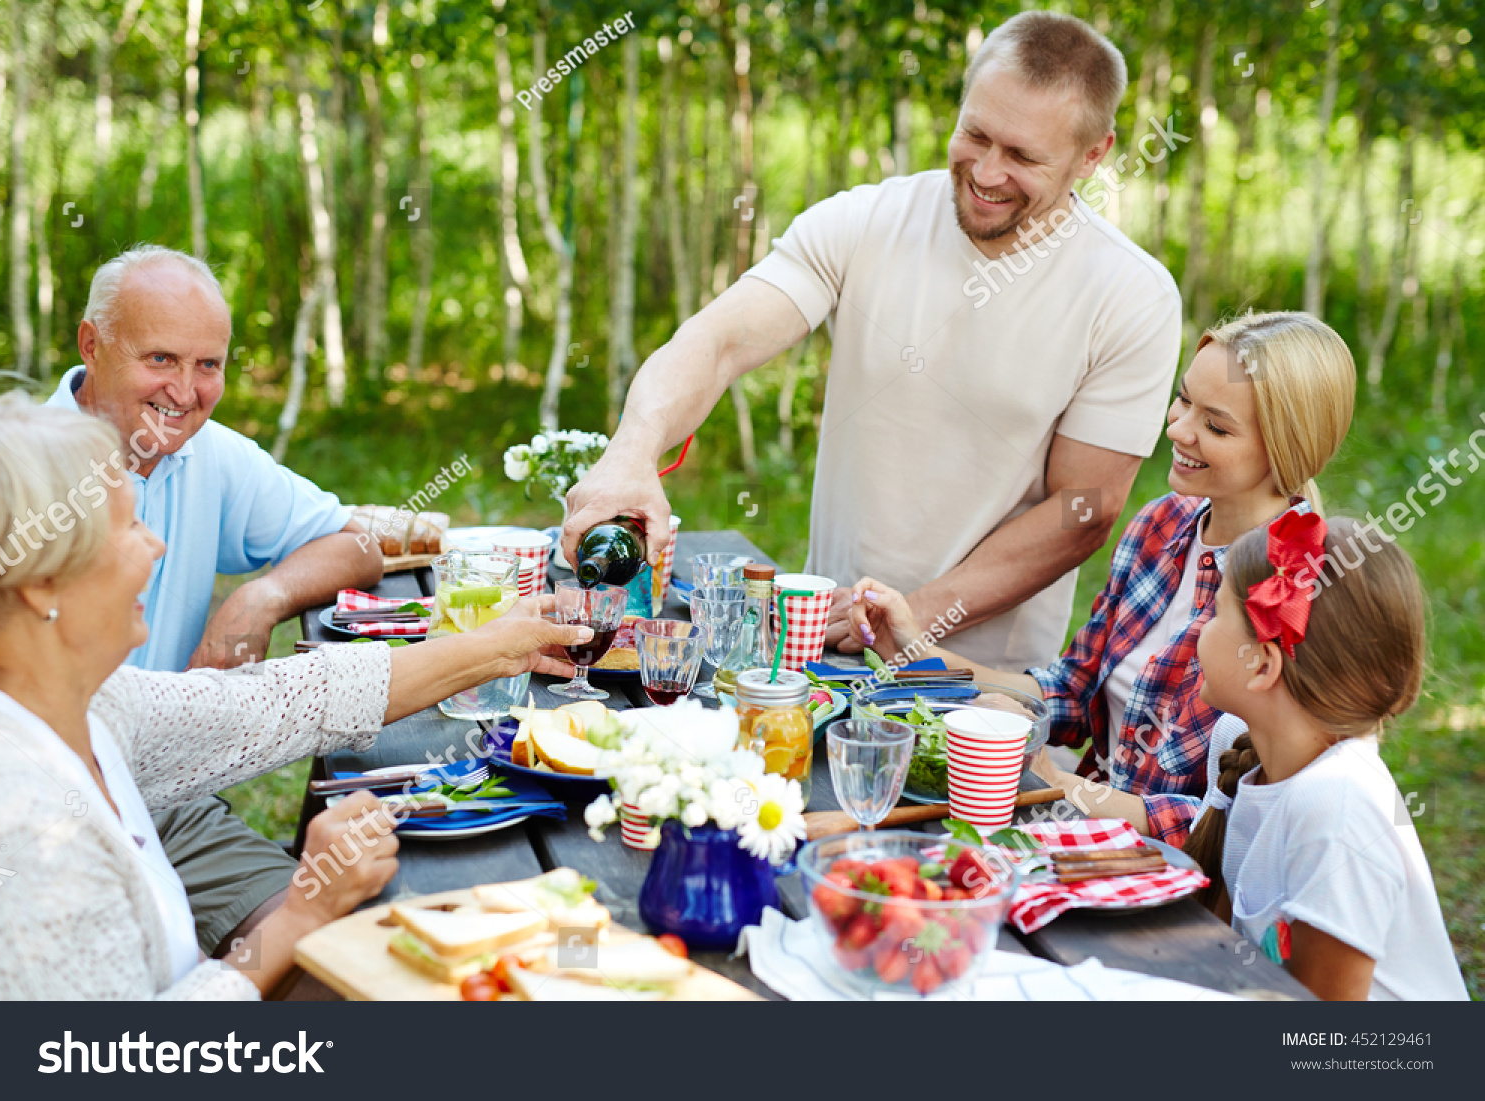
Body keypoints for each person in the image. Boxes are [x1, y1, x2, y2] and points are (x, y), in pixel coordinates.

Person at [564, 10, 1181, 672]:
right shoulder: (866, 220)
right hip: (815, 649)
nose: (987, 172)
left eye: (1024, 156)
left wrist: (902, 616)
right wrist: (630, 453)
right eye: (976, 134)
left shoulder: (1132, 295)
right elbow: (717, 342)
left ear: (1095, 154)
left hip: (972, 684)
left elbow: (1083, 508)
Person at [0, 396, 589, 998]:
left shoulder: (86, 706)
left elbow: (280, 702)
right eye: (129, 528)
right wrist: (305, 911)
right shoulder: (26, 831)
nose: (156, 546)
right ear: (42, 585)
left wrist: (496, 646)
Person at [846, 312, 1355, 845]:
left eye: (1216, 425)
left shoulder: (1297, 589)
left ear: (1286, 449)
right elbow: (1071, 694)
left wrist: (1063, 787)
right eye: (1184, 401)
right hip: (1078, 841)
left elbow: (1241, 823)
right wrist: (913, 651)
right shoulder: (1162, 524)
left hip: (1175, 886)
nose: (1177, 429)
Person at [43, 244, 384, 963]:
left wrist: (262, 595)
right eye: (161, 359)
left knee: (339, 956)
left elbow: (357, 544)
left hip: (166, 795)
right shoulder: (17, 474)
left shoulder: (207, 453)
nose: (186, 390)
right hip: (36, 817)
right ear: (91, 345)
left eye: (209, 365)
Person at [1182, 514, 1467, 1000]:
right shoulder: (1239, 744)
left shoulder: (1334, 806)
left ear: (1263, 665)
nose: (1199, 630)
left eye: (1214, 615)